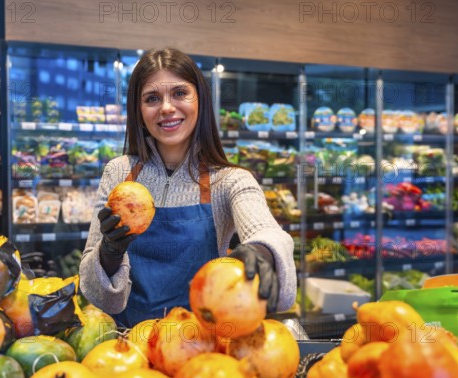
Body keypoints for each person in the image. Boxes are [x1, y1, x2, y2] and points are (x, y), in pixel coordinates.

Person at [79, 48, 296, 328]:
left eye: (180, 93)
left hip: (200, 348)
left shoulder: (229, 180)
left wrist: (262, 252)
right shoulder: (119, 173)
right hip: (128, 348)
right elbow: (96, 295)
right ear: (139, 111)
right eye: (152, 98)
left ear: (200, 101)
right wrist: (108, 253)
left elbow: (267, 231)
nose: (167, 107)